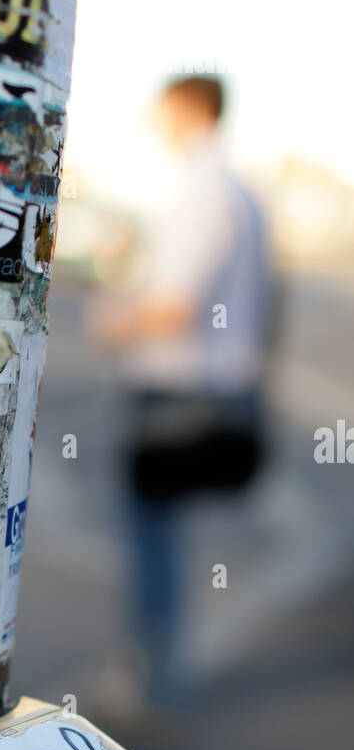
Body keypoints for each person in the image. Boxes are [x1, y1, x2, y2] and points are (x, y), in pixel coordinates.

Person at [90, 74, 273, 706]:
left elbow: (175, 307)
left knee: (152, 536)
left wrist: (111, 321)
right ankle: (158, 666)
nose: (155, 121)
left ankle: (153, 677)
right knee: (163, 532)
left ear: (189, 109)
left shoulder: (201, 192)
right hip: (218, 389)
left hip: (179, 393)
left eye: (162, 109)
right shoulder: (243, 194)